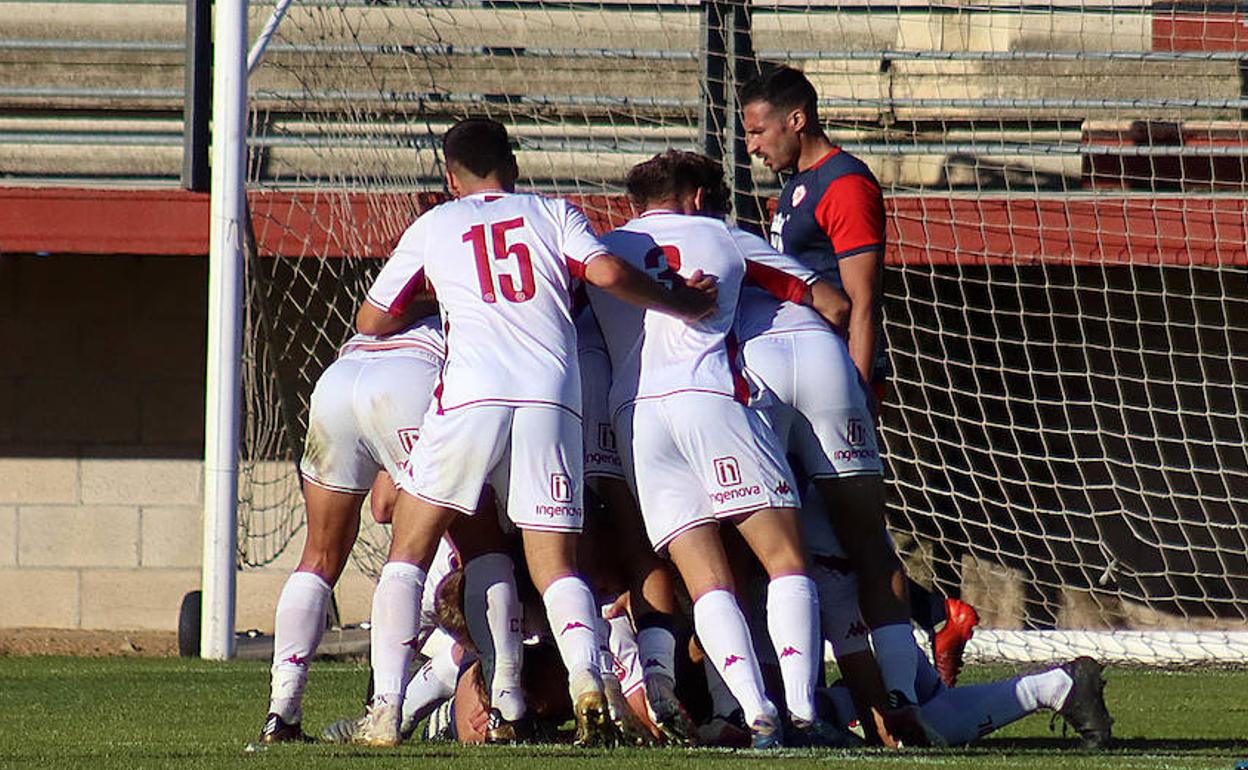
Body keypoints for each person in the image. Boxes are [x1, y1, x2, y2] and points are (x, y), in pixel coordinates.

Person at [350, 118, 715, 748]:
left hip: (470, 397)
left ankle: (385, 708)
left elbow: (373, 317)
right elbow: (603, 275)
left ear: (449, 175)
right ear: (513, 168)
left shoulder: (435, 224)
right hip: (551, 396)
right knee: (555, 564)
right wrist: (679, 301)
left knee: (408, 550)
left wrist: (440, 298)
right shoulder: (553, 212)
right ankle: (586, 683)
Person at [590, 150, 853, 749]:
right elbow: (830, 302)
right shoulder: (725, 236)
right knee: (785, 558)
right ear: (702, 197)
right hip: (712, 398)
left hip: (636, 419)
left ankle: (756, 713)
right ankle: (803, 713)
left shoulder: (603, 249)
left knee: (707, 580)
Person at [740, 64, 936, 738]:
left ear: (798, 119)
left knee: (863, 542)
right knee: (820, 545)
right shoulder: (794, 189)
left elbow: (861, 301)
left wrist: (856, 389)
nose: (753, 146)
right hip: (791, 385)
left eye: (760, 130)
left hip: (833, 384)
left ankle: (909, 693)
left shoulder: (845, 183)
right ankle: (875, 686)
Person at [258, 316, 445, 743]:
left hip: (341, 375)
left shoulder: (398, 289)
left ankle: (280, 713)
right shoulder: (474, 309)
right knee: (423, 554)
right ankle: (387, 711)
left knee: (318, 557)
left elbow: (381, 505)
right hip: (416, 376)